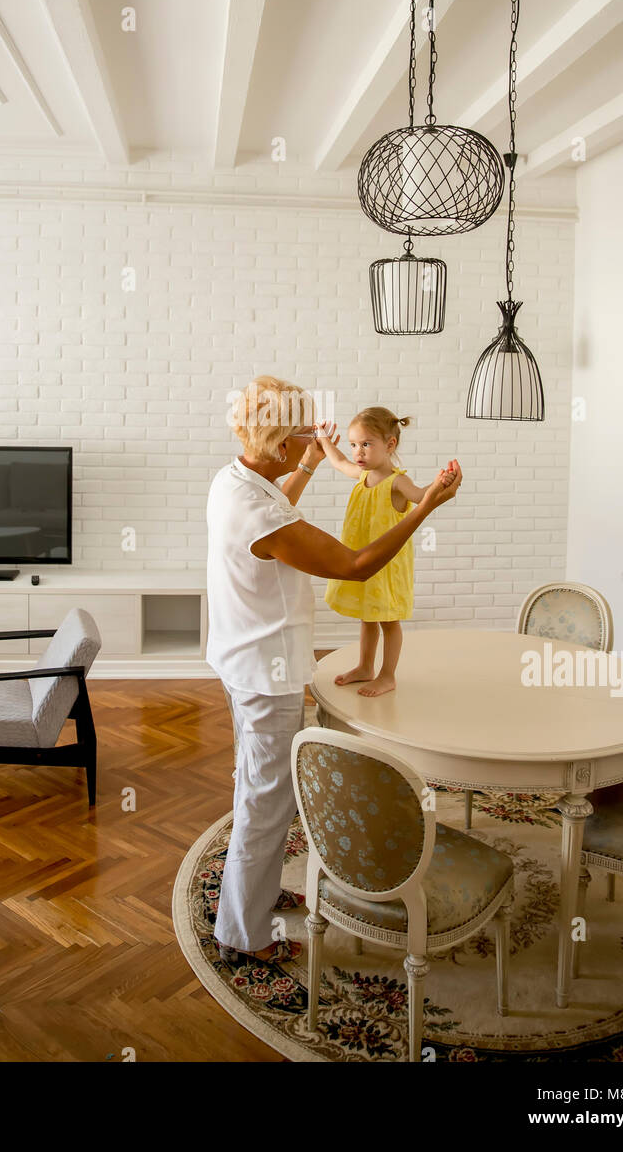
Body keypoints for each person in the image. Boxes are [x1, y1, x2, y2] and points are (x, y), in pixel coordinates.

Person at [205, 376, 461, 964]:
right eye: (305, 434)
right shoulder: (258, 513)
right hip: (264, 677)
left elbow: (279, 503)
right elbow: (355, 565)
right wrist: (425, 507)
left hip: (244, 661)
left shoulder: (236, 479)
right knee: (265, 802)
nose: (315, 438)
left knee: (261, 789)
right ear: (280, 442)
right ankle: (240, 935)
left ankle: (259, 897)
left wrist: (315, 466)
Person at [318, 407, 447, 697]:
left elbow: (420, 497)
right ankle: (365, 666)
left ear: (390, 445)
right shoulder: (361, 476)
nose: (357, 452)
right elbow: (337, 461)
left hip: (386, 566)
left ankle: (387, 675)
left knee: (388, 620)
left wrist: (440, 483)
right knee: (367, 617)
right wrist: (324, 440)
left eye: (365, 444)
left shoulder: (396, 482)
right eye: (353, 445)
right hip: (364, 558)